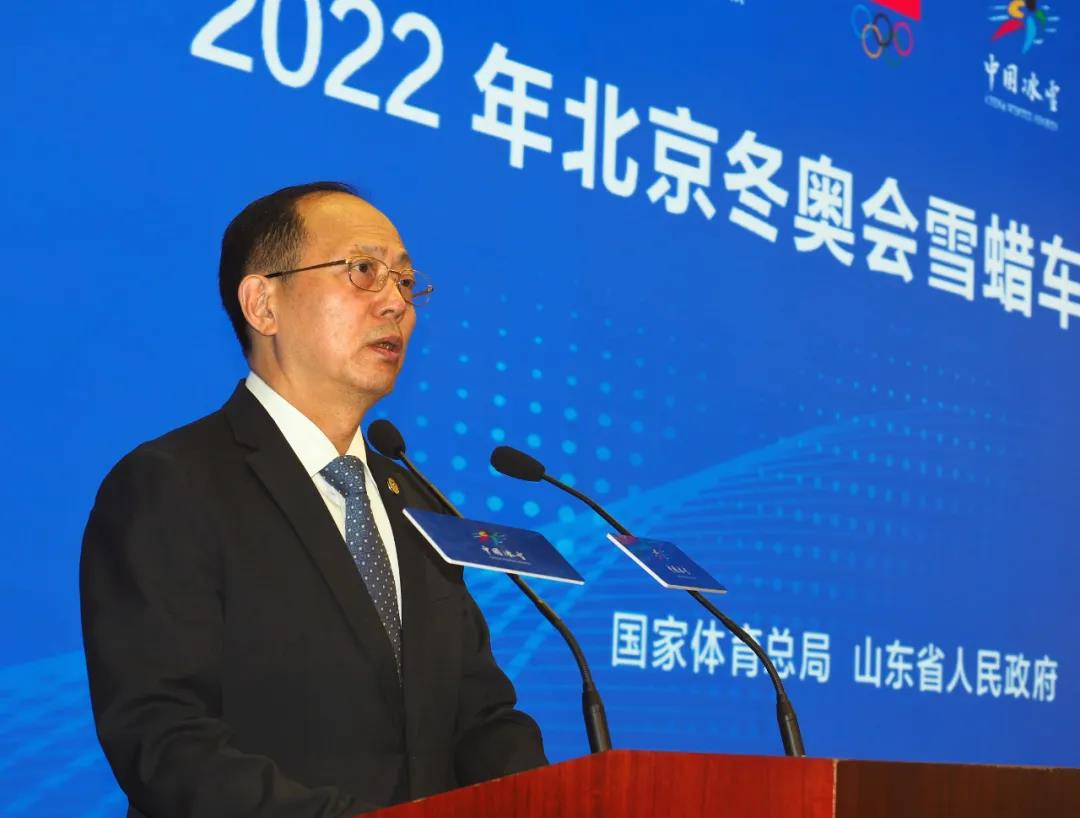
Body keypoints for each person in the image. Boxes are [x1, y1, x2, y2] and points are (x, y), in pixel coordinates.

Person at [80, 182, 547, 818]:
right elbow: (164, 739)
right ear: (263, 303)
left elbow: (481, 715)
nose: (396, 302)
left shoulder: (417, 502)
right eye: (363, 271)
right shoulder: (172, 484)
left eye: (405, 281)